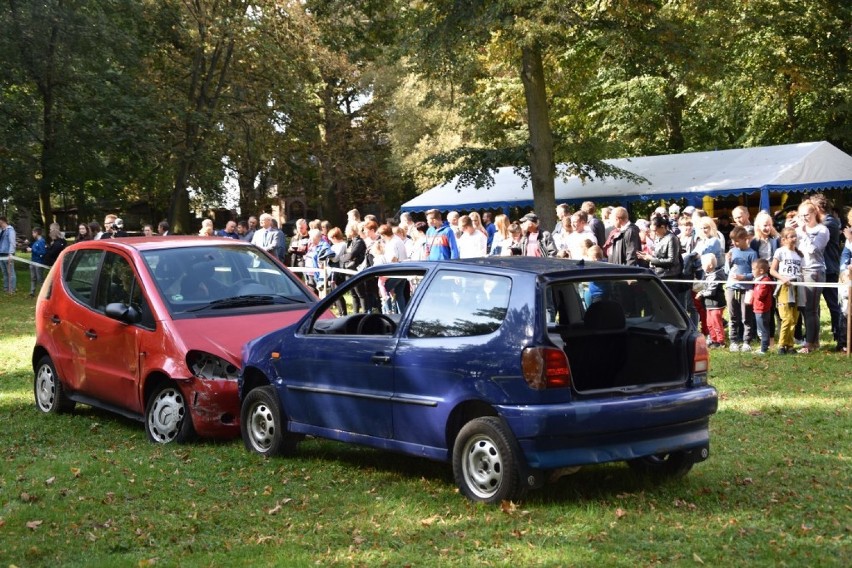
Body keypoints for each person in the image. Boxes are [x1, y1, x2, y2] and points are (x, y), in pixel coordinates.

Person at [793, 200, 829, 352]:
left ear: (814, 213)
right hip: (800, 271)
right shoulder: (798, 230)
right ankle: (814, 341)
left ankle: (810, 344)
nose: (803, 218)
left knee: (811, 309)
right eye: (801, 215)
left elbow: (813, 249)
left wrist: (803, 233)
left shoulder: (822, 230)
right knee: (805, 308)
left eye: (806, 215)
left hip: (814, 271)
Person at [810, 193, 842, 348]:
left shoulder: (829, 222)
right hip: (819, 269)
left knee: (833, 305)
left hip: (829, 269)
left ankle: (841, 338)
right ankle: (813, 338)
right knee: (814, 306)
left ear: (817, 208)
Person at [770, 228, 805, 355]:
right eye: (791, 237)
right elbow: (772, 270)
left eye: (795, 236)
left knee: (794, 318)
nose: (794, 239)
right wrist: (783, 279)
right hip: (784, 288)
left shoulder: (799, 255)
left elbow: (801, 271)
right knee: (787, 317)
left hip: (797, 287)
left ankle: (790, 345)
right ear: (784, 239)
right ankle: (781, 345)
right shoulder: (780, 252)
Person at [638, 214, 685, 308]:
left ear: (663, 227)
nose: (654, 233)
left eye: (655, 230)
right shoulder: (658, 238)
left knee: (670, 305)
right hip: (658, 274)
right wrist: (647, 256)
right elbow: (657, 255)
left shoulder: (672, 238)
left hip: (669, 277)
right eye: (652, 231)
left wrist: (651, 258)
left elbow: (672, 260)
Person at [725, 226, 758, 352]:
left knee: (746, 316)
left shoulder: (752, 253)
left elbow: (754, 273)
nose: (734, 243)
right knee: (733, 315)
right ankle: (733, 341)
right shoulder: (732, 251)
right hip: (731, 287)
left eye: (737, 241)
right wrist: (727, 262)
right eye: (733, 241)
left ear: (746, 239)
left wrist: (743, 277)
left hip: (746, 288)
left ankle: (746, 341)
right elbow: (726, 271)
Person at [696, 254, 726, 348]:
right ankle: (713, 339)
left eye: (703, 264)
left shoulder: (715, 276)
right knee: (709, 323)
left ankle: (720, 341)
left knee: (716, 323)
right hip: (708, 304)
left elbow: (711, 291)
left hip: (716, 304)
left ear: (710, 266)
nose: (701, 266)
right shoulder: (707, 275)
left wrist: (701, 293)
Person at [751, 258, 774, 355]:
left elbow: (760, 295)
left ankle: (764, 349)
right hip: (757, 308)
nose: (752, 271)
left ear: (761, 271)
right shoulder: (759, 280)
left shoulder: (764, 281)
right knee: (761, 329)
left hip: (762, 309)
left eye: (753, 269)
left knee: (763, 329)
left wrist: (753, 292)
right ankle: (763, 346)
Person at [27, 227, 47, 297]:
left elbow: (43, 252)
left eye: (33, 233)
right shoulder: (36, 242)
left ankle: (44, 293)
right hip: (33, 262)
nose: (32, 234)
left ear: (36, 233)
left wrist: (32, 250)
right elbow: (33, 246)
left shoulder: (42, 242)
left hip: (39, 263)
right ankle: (32, 292)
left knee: (40, 279)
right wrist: (28, 244)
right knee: (33, 277)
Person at [0, 216, 17, 294]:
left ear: (2, 221)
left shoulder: (10, 230)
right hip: (1, 254)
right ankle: (6, 288)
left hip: (7, 254)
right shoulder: (1, 231)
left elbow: (12, 242)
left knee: (10, 273)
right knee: (4, 273)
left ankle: (12, 289)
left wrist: (11, 253)